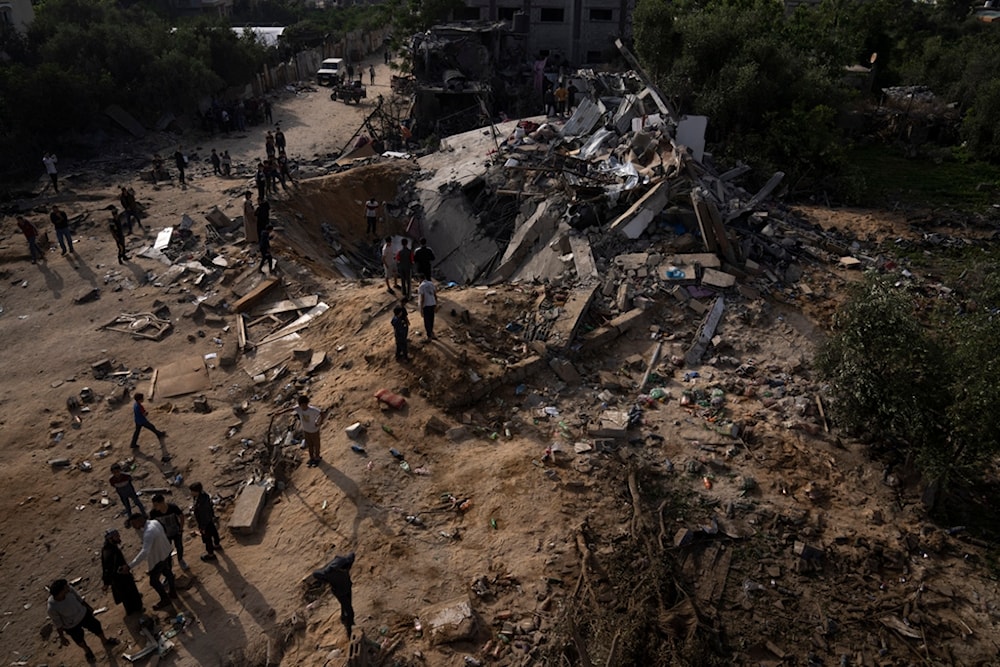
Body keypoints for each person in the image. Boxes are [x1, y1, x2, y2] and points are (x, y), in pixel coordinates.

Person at [47, 579, 119, 663]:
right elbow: (58, 623)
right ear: (61, 591)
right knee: (79, 639)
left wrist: (88, 607)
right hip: (71, 625)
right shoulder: (52, 607)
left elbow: (79, 598)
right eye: (65, 587)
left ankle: (105, 640)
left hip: (83, 614)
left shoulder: (69, 590)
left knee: (96, 626)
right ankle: (87, 651)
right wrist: (62, 637)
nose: (68, 587)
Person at [127, 513, 177, 610]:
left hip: (158, 558)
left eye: (134, 524)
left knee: (154, 582)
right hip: (165, 551)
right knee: (168, 572)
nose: (133, 527)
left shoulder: (148, 533)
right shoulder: (155, 522)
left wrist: (130, 565)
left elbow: (145, 551)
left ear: (139, 521)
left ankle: (165, 599)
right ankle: (173, 592)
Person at [273, 395, 325, 467]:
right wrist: (280, 413)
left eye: (304, 405)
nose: (303, 407)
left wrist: (319, 422)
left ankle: (317, 457)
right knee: (309, 445)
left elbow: (322, 414)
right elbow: (290, 409)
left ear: (307, 403)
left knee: (316, 444)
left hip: (314, 430)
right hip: (306, 430)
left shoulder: (312, 410)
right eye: (302, 405)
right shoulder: (299, 408)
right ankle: (311, 458)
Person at [312, 552, 356, 638]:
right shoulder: (329, 572)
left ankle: (344, 618)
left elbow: (352, 555)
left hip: (347, 588)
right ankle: (349, 630)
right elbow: (315, 574)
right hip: (339, 593)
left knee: (347, 605)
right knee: (350, 611)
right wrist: (326, 579)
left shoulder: (346, 562)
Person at [101, 529, 143, 616]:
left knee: (128, 594)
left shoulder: (111, 547)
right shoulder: (109, 551)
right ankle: (135, 610)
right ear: (110, 538)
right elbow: (107, 568)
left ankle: (133, 609)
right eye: (116, 536)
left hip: (121, 575)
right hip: (120, 577)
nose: (118, 537)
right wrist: (106, 582)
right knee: (128, 593)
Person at [149, 493, 188, 570]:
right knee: (167, 552)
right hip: (165, 535)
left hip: (176, 531)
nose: (154, 507)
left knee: (179, 547)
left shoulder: (172, 507)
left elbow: (181, 516)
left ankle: (180, 560)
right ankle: (169, 567)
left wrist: (180, 529)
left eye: (156, 505)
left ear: (162, 502)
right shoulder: (153, 513)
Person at [189, 482, 223, 561]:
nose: (191, 493)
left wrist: (202, 527)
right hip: (209, 519)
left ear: (196, 491)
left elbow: (202, 515)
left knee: (207, 539)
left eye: (192, 491)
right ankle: (217, 545)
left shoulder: (201, 504)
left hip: (204, 522)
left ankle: (210, 554)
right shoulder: (205, 496)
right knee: (214, 532)